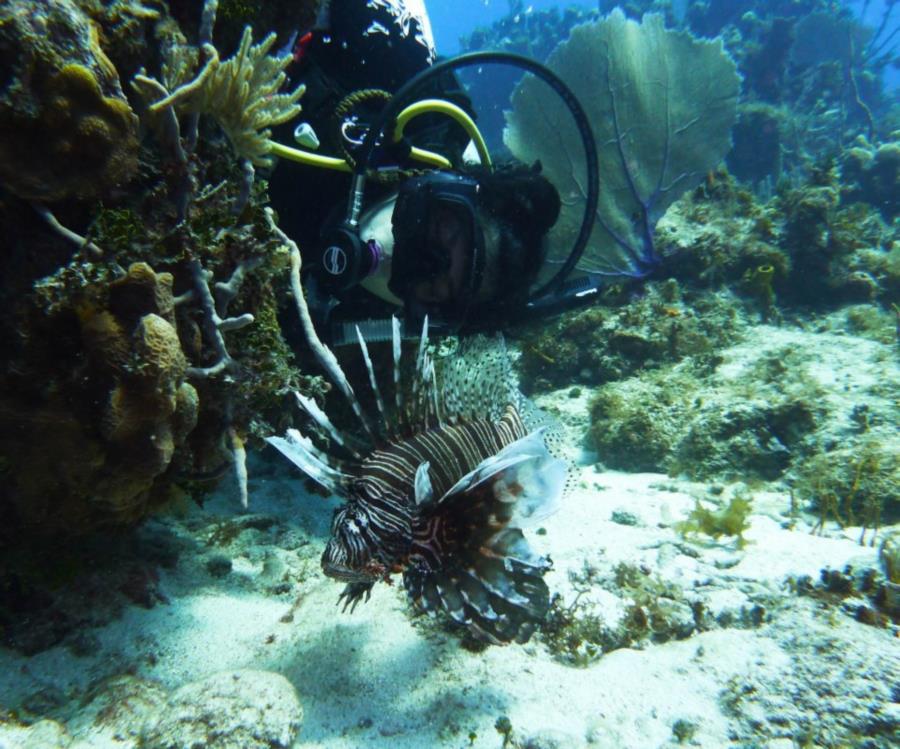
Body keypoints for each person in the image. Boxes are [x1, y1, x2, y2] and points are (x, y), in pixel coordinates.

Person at [268, 0, 561, 341]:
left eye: (434, 286)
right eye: (439, 228)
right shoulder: (402, 74)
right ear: (443, 183)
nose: (401, 256)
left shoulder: (343, 326)